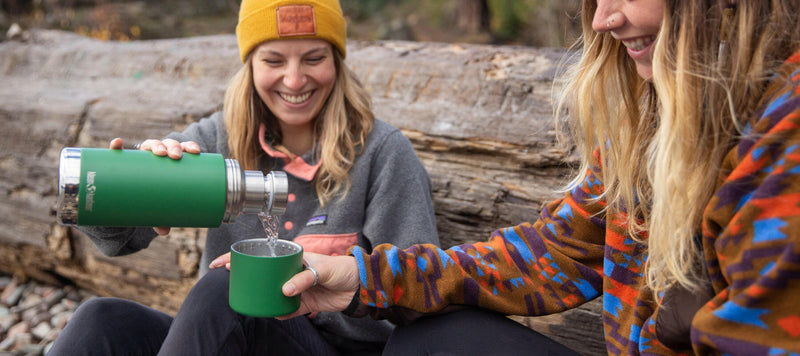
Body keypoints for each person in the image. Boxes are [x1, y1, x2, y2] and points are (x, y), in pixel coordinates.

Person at [267, 0, 800, 354]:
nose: (603, 19)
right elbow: (552, 255)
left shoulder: (783, 136)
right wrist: (365, 278)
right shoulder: (654, 119)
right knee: (434, 342)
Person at [48, 0, 439, 354]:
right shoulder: (218, 139)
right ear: (249, 64)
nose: (294, 79)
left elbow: (420, 290)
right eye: (273, 60)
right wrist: (124, 188)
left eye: (314, 57)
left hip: (337, 350)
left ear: (337, 61)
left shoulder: (381, 153)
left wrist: (320, 286)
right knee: (99, 322)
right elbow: (120, 242)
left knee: (229, 288)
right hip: (229, 339)